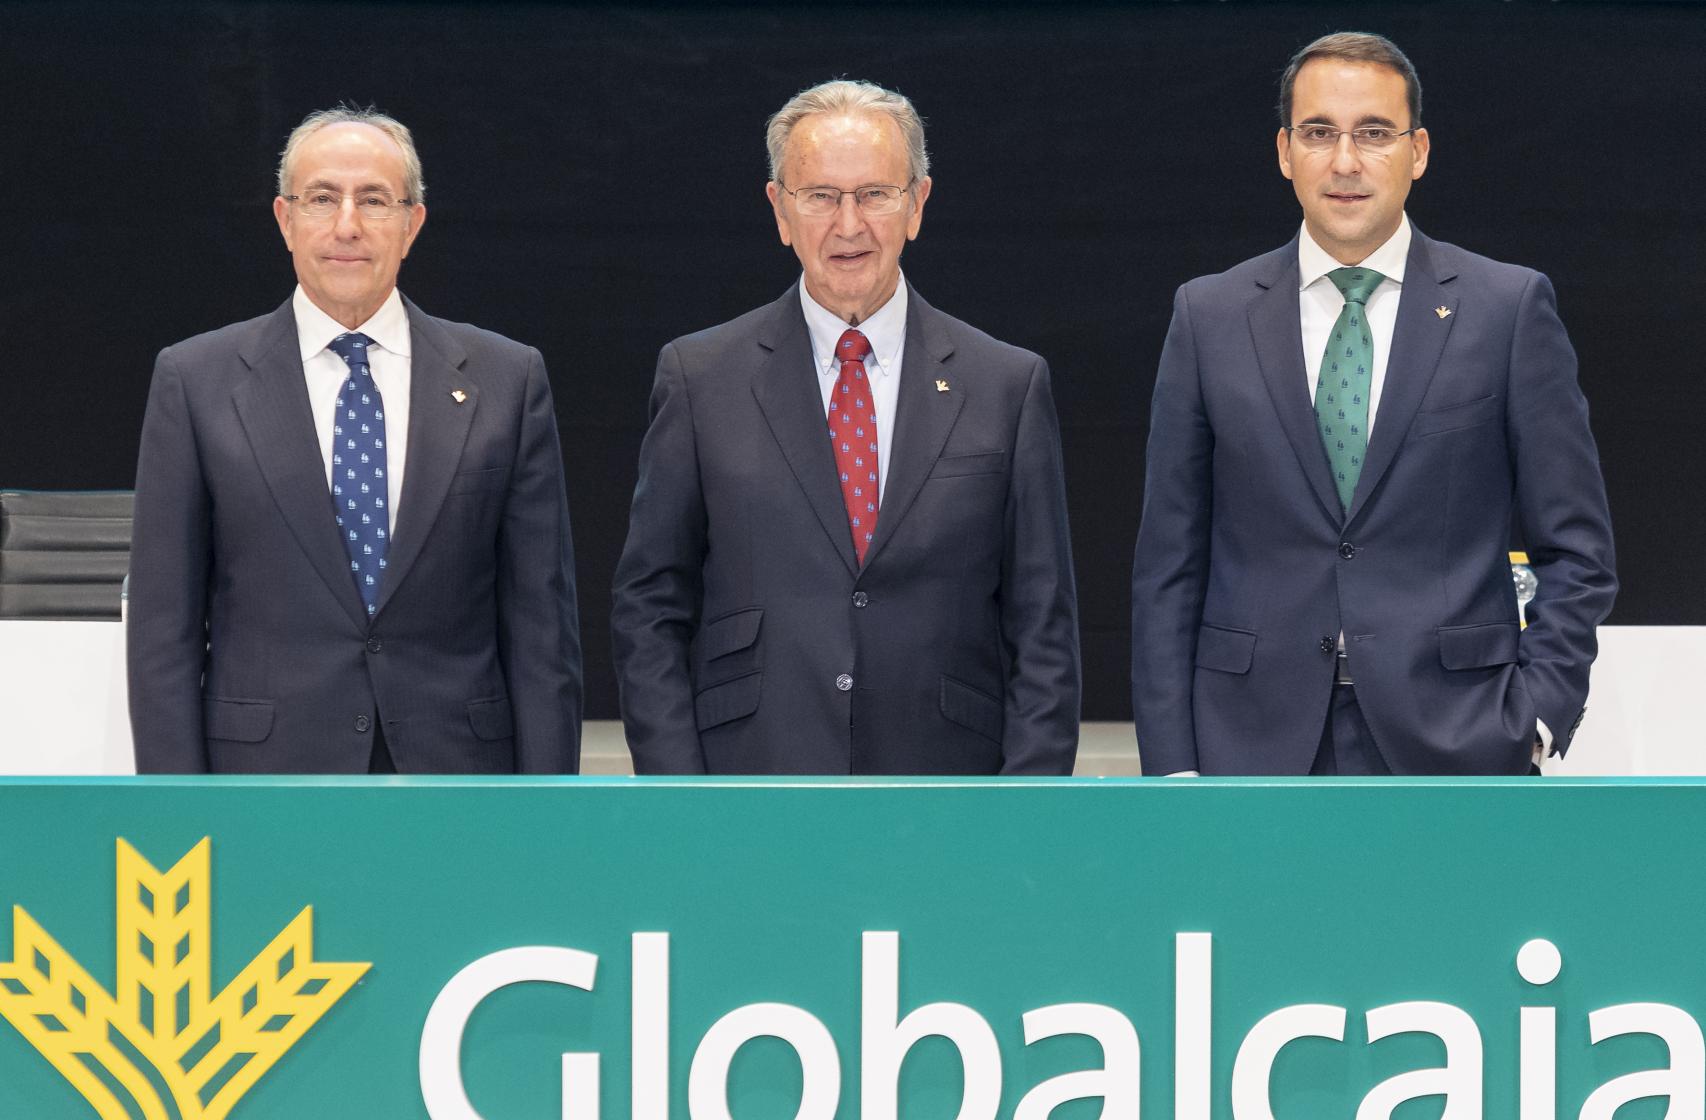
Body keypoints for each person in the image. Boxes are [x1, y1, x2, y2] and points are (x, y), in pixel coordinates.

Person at [1130, 32, 1616, 776]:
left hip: (1460, 742)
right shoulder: (1209, 317)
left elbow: (1577, 550)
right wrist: (1171, 763)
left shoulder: (1507, 309)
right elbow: (1169, 563)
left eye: (1375, 134)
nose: (1346, 161)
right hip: (1248, 748)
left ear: (1417, 151)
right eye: (1320, 133)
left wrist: (1539, 717)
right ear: (1285, 152)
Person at [612, 80, 1079, 775]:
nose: (849, 224)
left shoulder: (1006, 384)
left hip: (948, 790)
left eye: (874, 194)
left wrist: (1021, 809)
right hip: (751, 783)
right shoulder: (699, 377)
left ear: (917, 204)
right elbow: (649, 607)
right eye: (821, 196)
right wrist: (684, 798)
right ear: (780, 210)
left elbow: (1044, 626)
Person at [128, 107, 581, 773]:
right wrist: (177, 818)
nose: (347, 225)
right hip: (263, 787)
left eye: (374, 200)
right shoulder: (195, 382)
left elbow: (543, 631)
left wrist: (548, 820)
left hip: (457, 787)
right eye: (321, 199)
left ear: (411, 225)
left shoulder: (507, 381)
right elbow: (162, 633)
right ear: (285, 220)